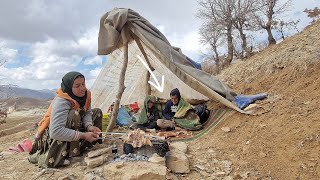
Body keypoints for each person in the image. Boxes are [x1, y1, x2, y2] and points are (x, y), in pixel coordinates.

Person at [29, 71, 102, 168]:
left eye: (83, 84)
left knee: (97, 112)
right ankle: (68, 154)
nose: (82, 88)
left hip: (75, 125)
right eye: (77, 86)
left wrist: (89, 126)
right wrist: (83, 135)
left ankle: (86, 146)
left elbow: (87, 112)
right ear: (68, 87)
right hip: (55, 133)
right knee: (74, 114)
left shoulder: (87, 94)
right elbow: (55, 131)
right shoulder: (62, 100)